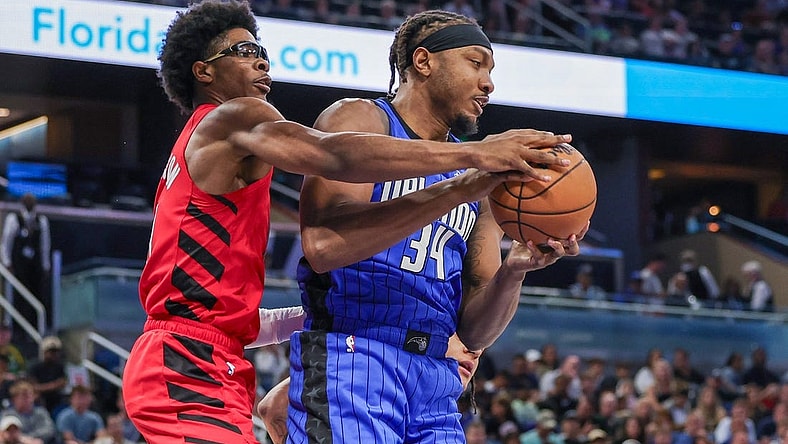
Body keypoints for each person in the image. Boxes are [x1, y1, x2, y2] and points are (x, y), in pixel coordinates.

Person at [120, 1, 575, 442]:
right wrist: (475, 159)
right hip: (193, 359)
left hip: (229, 356)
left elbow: (220, 312)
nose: (262, 61)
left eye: (262, 51)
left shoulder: (216, 155)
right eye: (245, 51)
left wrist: (513, 269)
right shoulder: (235, 117)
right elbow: (330, 156)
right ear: (204, 71)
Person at [287, 9, 585, 443]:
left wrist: (514, 271)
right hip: (351, 356)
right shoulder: (362, 120)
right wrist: (458, 186)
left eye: (491, 71)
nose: (488, 83)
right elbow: (324, 246)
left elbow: (474, 332)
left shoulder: (480, 179)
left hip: (436, 379)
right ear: (423, 61)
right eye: (476, 63)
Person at [257, 333, 483, 444]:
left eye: (484, 345)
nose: (475, 351)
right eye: (464, 336)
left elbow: (271, 408)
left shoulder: (443, 410)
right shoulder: (371, 373)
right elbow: (272, 407)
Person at [0, 193, 52, 335]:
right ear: (22, 203)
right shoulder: (14, 219)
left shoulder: (41, 221)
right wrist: (7, 262)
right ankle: (17, 330)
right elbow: (6, 242)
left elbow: (45, 246)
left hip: (35, 266)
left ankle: (35, 329)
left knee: (36, 295)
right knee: (19, 296)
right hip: (19, 264)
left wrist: (46, 266)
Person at [0, 380, 57, 444]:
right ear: (14, 399)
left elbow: (49, 430)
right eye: (24, 396)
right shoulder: (7, 414)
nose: (28, 399)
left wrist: (27, 438)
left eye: (30, 395)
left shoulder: (41, 412)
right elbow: (3, 433)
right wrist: (21, 439)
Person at [26, 336, 66, 416]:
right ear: (44, 352)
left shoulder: (60, 367)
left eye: (56, 352)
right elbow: (33, 387)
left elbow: (62, 383)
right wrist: (53, 385)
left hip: (56, 400)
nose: (54, 354)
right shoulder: (35, 366)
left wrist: (44, 387)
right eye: (51, 352)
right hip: (39, 401)